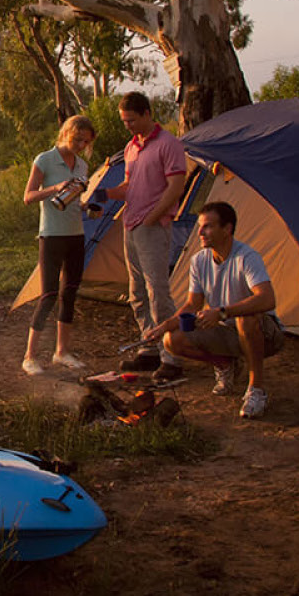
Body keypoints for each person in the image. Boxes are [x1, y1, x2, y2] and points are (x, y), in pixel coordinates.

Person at [142, 201, 285, 418]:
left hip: (265, 334)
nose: (200, 232)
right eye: (200, 226)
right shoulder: (199, 260)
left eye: (207, 226)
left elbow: (267, 299)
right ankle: (225, 364)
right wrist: (161, 328)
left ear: (227, 229)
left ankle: (256, 389)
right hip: (226, 330)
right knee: (172, 340)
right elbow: (192, 305)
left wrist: (221, 312)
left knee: (245, 318)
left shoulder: (246, 257)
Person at [94, 91, 189, 383]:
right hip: (131, 224)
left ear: (147, 114)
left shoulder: (169, 144)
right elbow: (129, 185)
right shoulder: (132, 147)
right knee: (136, 293)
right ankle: (150, 346)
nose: (128, 126)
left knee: (157, 291)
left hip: (153, 225)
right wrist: (104, 193)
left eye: (131, 120)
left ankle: (171, 356)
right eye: (124, 121)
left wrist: (153, 216)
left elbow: (176, 186)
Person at [21, 114, 98, 376]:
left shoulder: (83, 166)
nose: (80, 145)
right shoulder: (45, 159)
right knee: (48, 295)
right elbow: (28, 197)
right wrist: (55, 187)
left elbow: (74, 198)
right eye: (77, 139)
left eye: (85, 142)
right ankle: (30, 356)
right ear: (66, 133)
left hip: (75, 234)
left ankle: (61, 351)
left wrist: (89, 208)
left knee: (70, 293)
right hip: (51, 235)